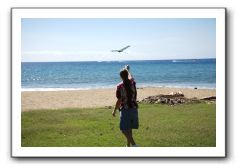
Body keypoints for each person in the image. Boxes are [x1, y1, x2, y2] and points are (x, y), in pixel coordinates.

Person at [112, 65, 139, 147]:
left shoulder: (120, 86)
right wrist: (127, 69)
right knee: (129, 128)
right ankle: (128, 146)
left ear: (120, 77)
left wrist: (114, 110)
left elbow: (119, 100)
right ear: (127, 75)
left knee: (123, 129)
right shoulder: (132, 82)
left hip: (125, 110)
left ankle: (134, 145)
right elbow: (131, 76)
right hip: (134, 108)